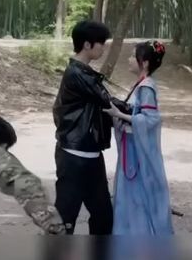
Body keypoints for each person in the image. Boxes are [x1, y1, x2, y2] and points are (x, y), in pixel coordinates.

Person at [103, 40, 174, 235]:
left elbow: (150, 119)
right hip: (132, 148)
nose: (128, 59)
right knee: (134, 196)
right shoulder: (141, 85)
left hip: (136, 152)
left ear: (144, 63)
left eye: (132, 56)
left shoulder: (146, 87)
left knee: (138, 197)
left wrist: (120, 115)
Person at [52, 20, 114, 235]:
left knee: (103, 216)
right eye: (101, 43)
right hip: (74, 155)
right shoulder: (77, 74)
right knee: (65, 218)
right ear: (87, 45)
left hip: (91, 154)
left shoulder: (84, 72)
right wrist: (137, 112)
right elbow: (106, 101)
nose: (103, 48)